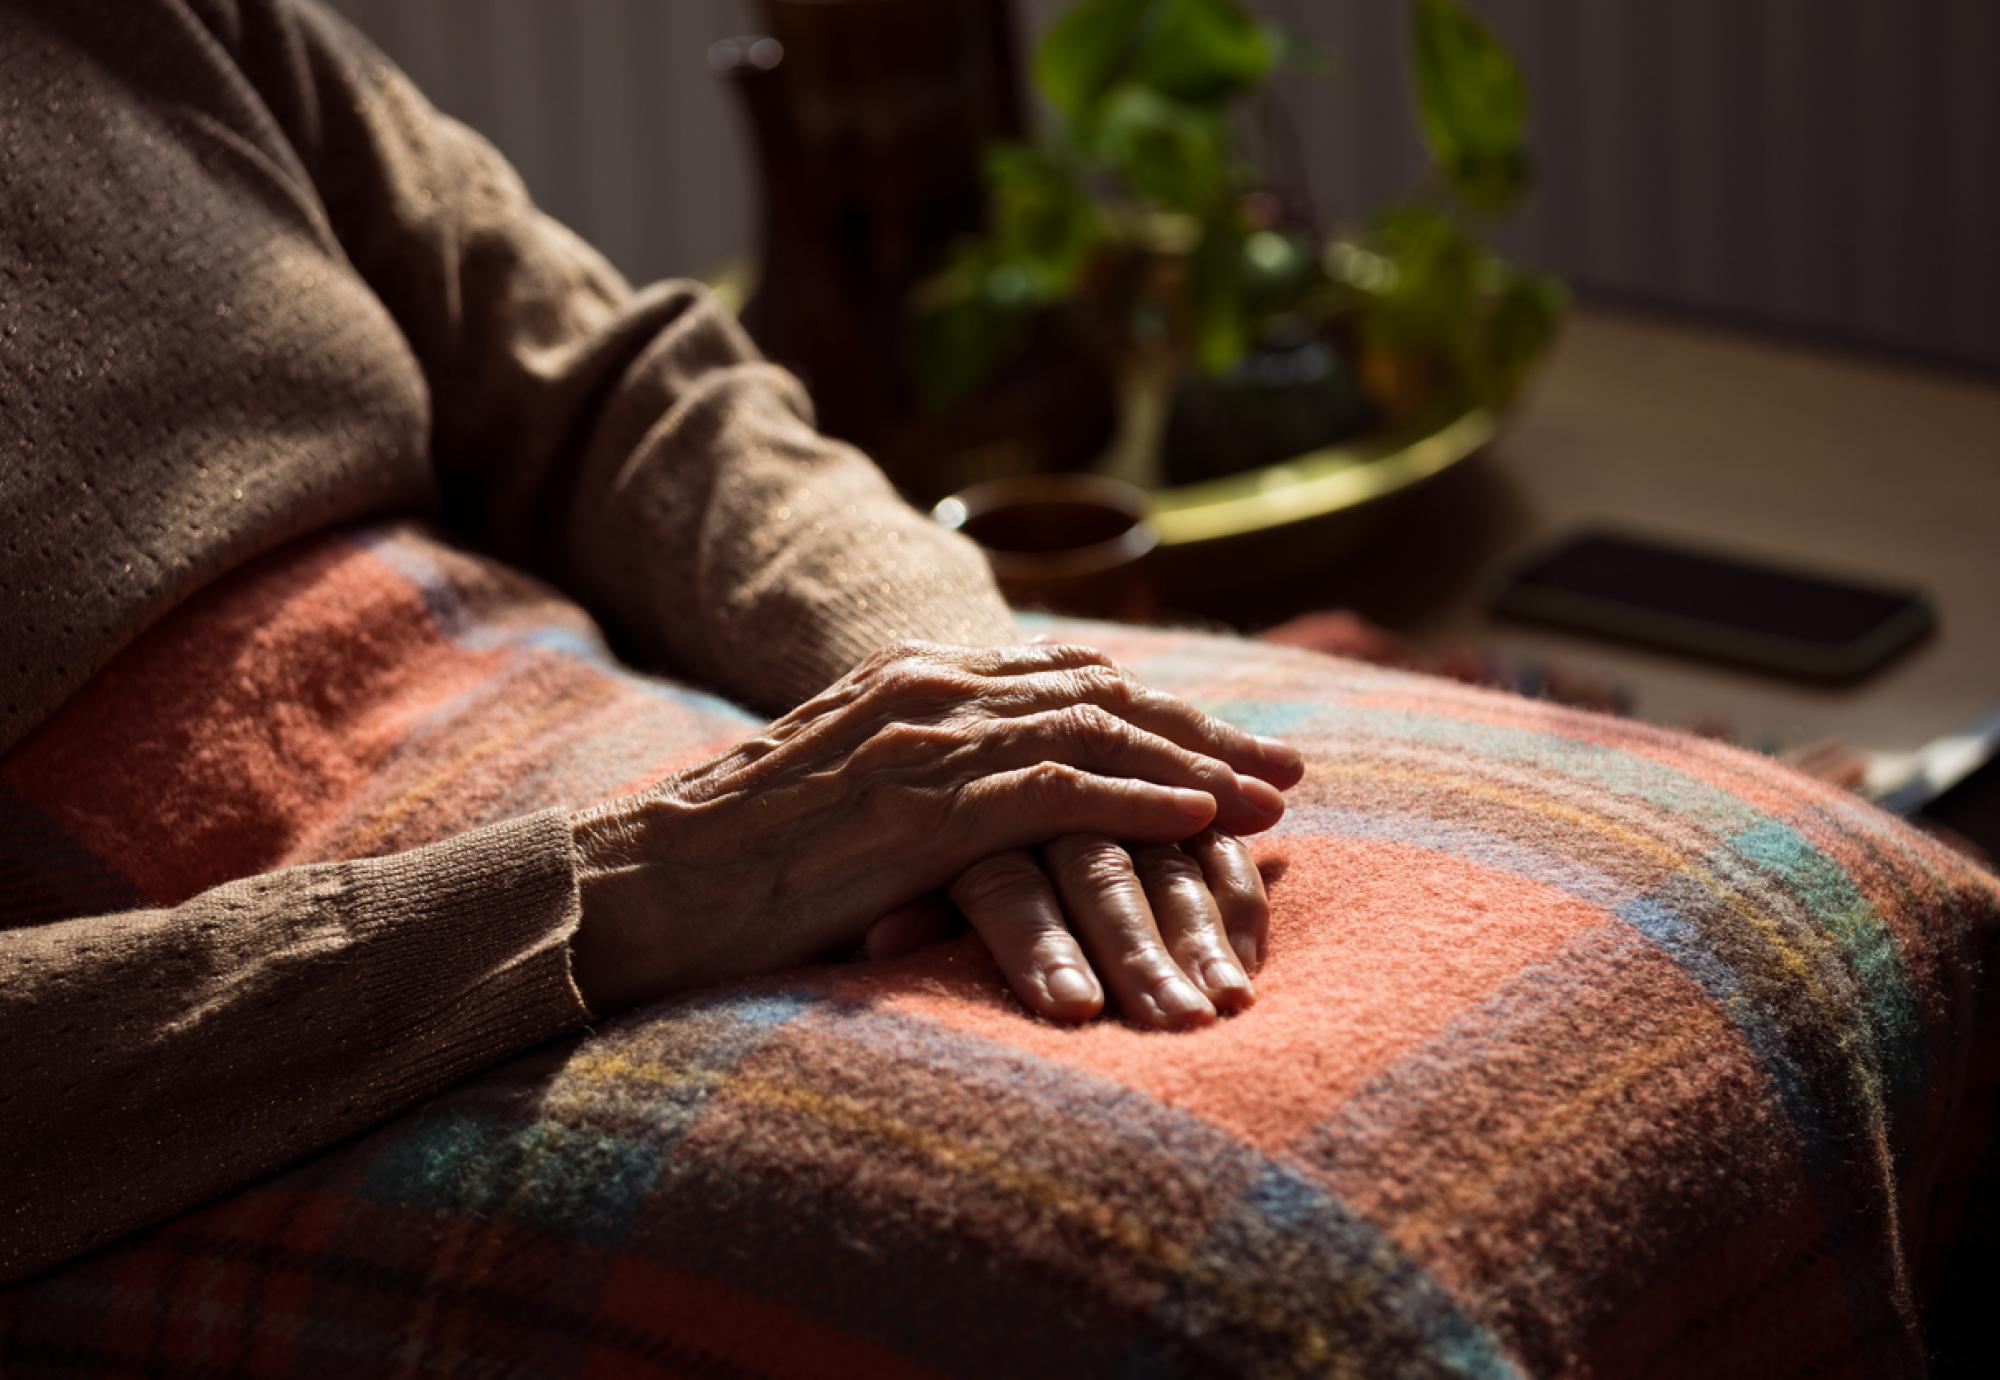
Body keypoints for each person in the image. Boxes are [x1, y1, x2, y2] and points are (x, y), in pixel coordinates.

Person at [0, 0, 1302, 1283]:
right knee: (1198, 1259)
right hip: (290, 1061)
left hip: (689, 769)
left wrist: (971, 694)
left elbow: (626, 396)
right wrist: (631, 892)